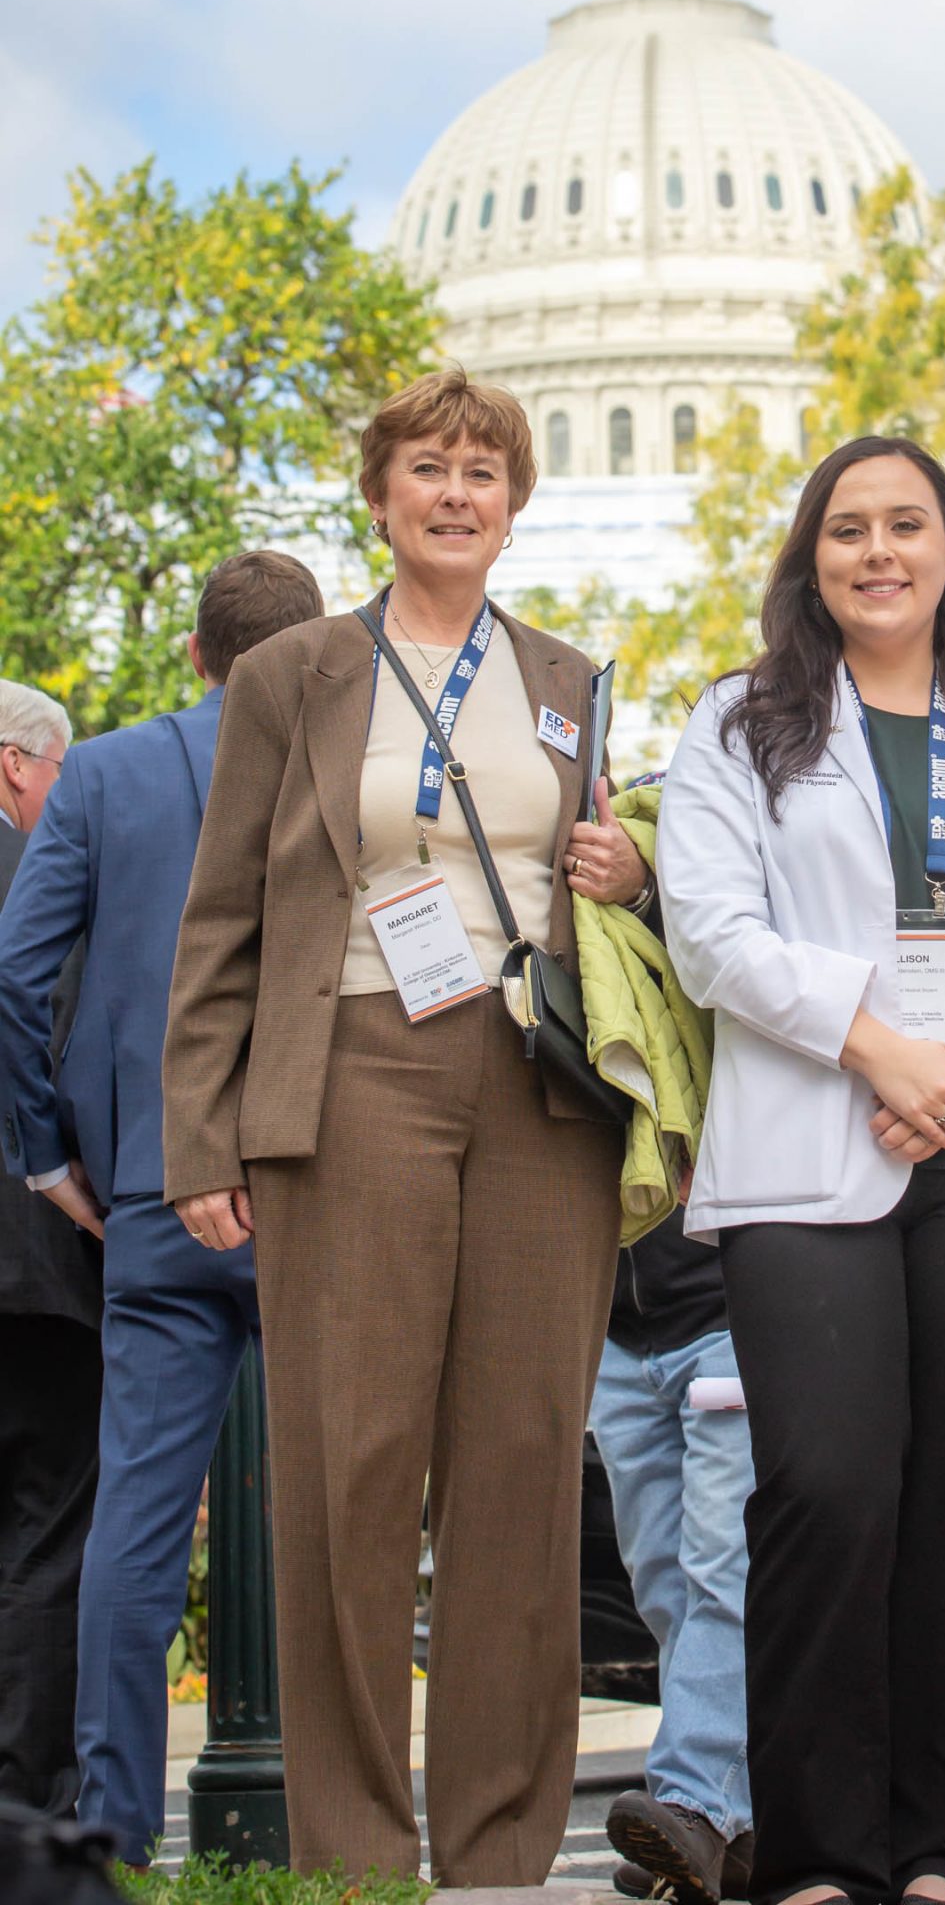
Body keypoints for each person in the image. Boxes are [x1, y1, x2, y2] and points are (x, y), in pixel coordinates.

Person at [161, 368, 650, 1889]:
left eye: (483, 473)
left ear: (515, 504)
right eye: (428, 468)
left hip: (535, 1083)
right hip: (351, 1070)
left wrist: (621, 863)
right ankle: (360, 1860)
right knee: (348, 1474)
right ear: (378, 495)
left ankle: (498, 1857)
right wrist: (202, 1136)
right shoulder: (294, 674)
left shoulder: (569, 678)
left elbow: (599, 878)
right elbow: (222, 916)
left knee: (517, 1468)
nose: (455, 494)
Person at [658, 434, 945, 1905]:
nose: (878, 552)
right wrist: (878, 1052)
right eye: (847, 530)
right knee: (826, 1496)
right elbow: (711, 933)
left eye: (907, 526)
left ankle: (941, 1860)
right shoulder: (737, 726)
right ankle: (822, 1862)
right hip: (805, 1157)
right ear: (812, 559)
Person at [0, 560, 324, 1864]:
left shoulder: (103, 778)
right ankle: (349, 1838)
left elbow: (18, 981)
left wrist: (51, 1159)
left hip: (147, 1195)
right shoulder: (359, 777)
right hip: (326, 1197)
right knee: (353, 1522)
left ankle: (116, 1837)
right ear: (313, 656)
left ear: (194, 651)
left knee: (131, 1532)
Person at [0, 680, 100, 1821]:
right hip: (40, 1268)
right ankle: (28, 1811)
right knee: (44, 1537)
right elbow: (70, 1048)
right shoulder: (42, 881)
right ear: (19, 766)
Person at [595, 1208, 755, 1905]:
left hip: (725, 1318)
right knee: (661, 1582)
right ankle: (738, 1829)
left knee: (724, 1567)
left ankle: (692, 1800)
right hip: (614, 1339)